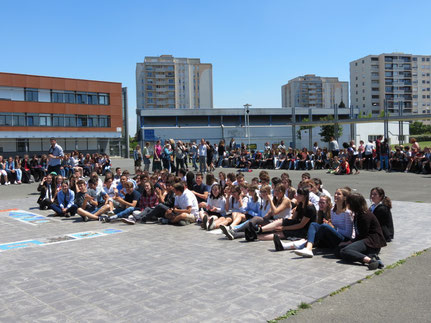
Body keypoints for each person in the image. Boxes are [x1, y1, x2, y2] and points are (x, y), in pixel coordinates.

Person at [291, 189, 353, 257]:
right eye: (335, 193)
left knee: (324, 226)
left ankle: (303, 244)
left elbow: (348, 234)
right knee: (314, 224)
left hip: (343, 239)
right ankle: (308, 248)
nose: (335, 195)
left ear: (344, 197)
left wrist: (333, 228)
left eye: (338, 194)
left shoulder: (347, 213)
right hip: (334, 236)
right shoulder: (333, 211)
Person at [245, 187, 315, 242]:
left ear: (305, 196)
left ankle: (255, 236)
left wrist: (284, 227)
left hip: (304, 229)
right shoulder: (300, 204)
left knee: (282, 233)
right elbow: (293, 218)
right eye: (297, 194)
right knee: (281, 221)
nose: (297, 196)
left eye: (300, 195)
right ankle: (259, 229)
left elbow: (301, 225)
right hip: (297, 223)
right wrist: (284, 222)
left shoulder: (309, 208)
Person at [339, 193, 387, 270]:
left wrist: (348, 243)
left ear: (353, 204)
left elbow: (362, 235)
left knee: (345, 251)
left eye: (348, 202)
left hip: (371, 242)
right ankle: (371, 255)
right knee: (338, 251)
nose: (347, 204)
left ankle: (370, 261)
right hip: (365, 241)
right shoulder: (358, 214)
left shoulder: (365, 215)